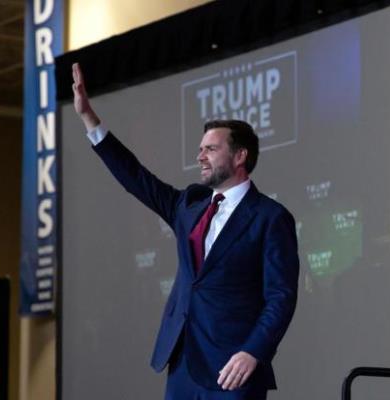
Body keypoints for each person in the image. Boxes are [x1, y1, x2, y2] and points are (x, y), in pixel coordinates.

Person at [72, 62, 299, 400]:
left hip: (233, 370)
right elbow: (136, 177)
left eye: (211, 148)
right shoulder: (188, 207)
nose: (200, 156)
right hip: (182, 364)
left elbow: (280, 296)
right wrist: (89, 118)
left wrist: (254, 351)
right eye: (200, 149)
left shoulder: (270, 217)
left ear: (240, 156)